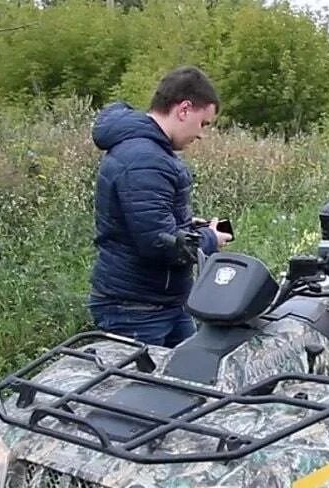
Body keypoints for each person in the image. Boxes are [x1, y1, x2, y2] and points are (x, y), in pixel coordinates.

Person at [88, 66, 232, 347]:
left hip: (161, 303)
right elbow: (158, 242)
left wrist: (190, 227)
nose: (202, 135)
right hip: (136, 311)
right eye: (203, 123)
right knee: (143, 390)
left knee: (188, 381)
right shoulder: (145, 159)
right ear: (184, 109)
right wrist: (210, 238)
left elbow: (151, 223)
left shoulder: (149, 151)